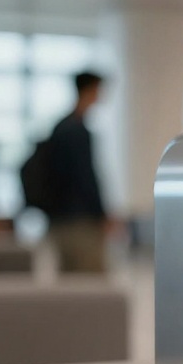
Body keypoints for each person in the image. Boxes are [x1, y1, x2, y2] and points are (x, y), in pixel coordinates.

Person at [47, 71, 109, 274]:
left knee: (71, 286)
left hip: (60, 218)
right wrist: (101, 214)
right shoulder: (77, 130)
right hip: (80, 221)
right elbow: (85, 176)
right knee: (90, 284)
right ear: (90, 90)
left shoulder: (61, 127)